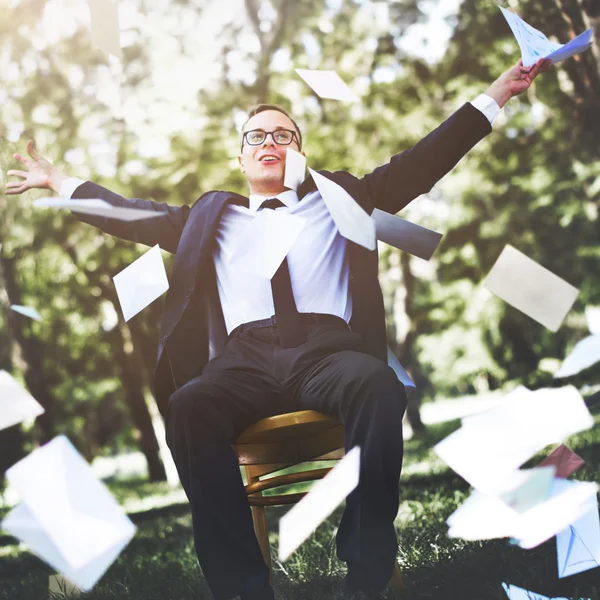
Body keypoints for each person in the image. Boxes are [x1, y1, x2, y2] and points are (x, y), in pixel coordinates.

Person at [5, 58, 550, 600]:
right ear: (240, 156)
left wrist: (495, 95)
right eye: (257, 135)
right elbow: (128, 212)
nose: (271, 141)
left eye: (284, 134)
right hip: (243, 363)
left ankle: (364, 572)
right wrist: (60, 180)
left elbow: (421, 163)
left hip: (327, 352)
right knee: (191, 404)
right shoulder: (208, 218)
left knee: (378, 384)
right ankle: (243, 588)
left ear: (301, 153)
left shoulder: (341, 200)